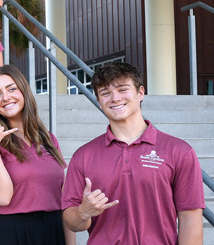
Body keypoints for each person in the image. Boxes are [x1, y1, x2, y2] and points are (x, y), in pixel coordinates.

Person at [62, 62, 204, 244]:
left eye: (123, 89)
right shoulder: (83, 156)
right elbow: (72, 222)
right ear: (99, 101)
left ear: (140, 93)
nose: (114, 98)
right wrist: (83, 212)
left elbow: (190, 218)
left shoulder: (179, 151)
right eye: (105, 93)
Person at [0, 65, 71, 245]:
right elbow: (2, 197)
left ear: (24, 91)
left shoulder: (48, 138)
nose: (5, 98)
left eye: (12, 89)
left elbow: (64, 198)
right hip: (11, 231)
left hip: (53, 227)